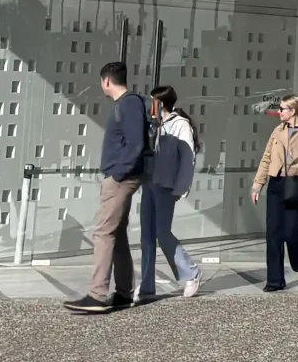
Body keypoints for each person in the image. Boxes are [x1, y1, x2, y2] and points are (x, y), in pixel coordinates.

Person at [65, 61, 149, 314]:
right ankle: (123, 293)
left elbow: (136, 143)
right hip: (122, 176)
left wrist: (117, 174)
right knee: (117, 232)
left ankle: (97, 295)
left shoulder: (129, 104)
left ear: (106, 81)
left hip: (121, 179)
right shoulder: (127, 104)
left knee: (102, 232)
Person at [250, 94, 298, 293]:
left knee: (291, 232)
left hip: (297, 184)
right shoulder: (277, 131)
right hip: (276, 184)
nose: (279, 112)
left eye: (282, 109)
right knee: (273, 234)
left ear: (293, 111)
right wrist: (258, 184)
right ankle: (275, 280)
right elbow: (267, 158)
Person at [140, 85, 203, 302]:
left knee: (162, 232)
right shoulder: (153, 124)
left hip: (166, 186)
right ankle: (147, 284)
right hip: (149, 183)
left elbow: (188, 160)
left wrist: (181, 188)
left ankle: (191, 272)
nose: (149, 105)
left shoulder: (180, 125)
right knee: (147, 235)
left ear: (160, 103)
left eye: (152, 101)